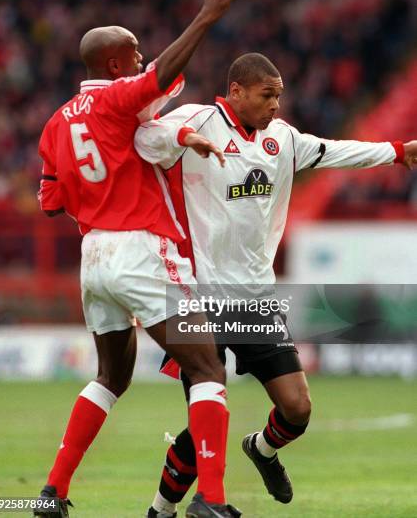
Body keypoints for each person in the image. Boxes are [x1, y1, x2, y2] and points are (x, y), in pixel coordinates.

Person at [135, 52, 417, 517]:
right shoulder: (198, 118)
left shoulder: (282, 139)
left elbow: (335, 151)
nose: (276, 106)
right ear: (238, 91)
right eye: (268, 96)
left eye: (279, 96)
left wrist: (395, 151)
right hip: (193, 293)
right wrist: (185, 137)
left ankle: (262, 449)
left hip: (256, 299)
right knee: (207, 418)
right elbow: (146, 137)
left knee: (297, 408)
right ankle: (162, 510)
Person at [34, 0, 249, 518]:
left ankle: (51, 493)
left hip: (94, 257)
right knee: (206, 370)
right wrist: (209, 13)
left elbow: (51, 201)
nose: (140, 59)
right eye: (133, 53)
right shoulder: (115, 100)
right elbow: (162, 75)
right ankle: (211, 501)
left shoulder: (56, 123)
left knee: (110, 377)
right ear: (113, 65)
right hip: (140, 247)